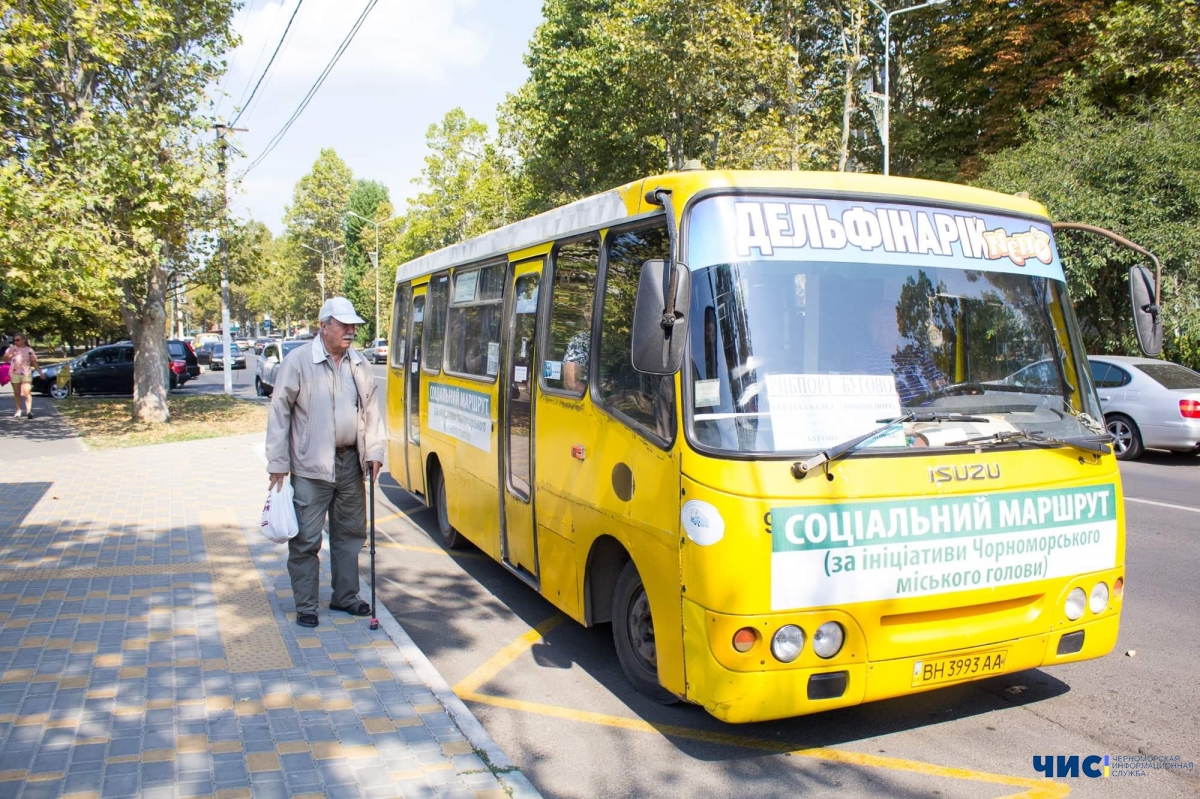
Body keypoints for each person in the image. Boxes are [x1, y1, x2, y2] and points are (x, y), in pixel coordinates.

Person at [266, 297, 385, 628]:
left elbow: (372, 412)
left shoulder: (358, 363)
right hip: (310, 465)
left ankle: (345, 597)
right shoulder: (299, 361)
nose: (350, 331)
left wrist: (375, 451)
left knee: (350, 533)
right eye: (344, 325)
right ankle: (306, 604)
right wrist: (277, 462)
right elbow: (279, 412)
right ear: (324, 326)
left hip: (350, 462)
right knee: (306, 538)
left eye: (353, 326)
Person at [850, 306, 947, 405]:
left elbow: (939, 384)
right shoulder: (864, 351)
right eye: (875, 322)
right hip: (893, 418)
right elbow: (858, 382)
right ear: (868, 325)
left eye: (889, 322)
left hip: (933, 416)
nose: (882, 329)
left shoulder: (917, 351)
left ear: (900, 325)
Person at [3, 333, 44, 419]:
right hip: (14, 373)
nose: (15, 342)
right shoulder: (11, 349)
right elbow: (5, 359)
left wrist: (40, 373)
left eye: (17, 340)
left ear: (23, 340)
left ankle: (29, 411)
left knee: (26, 392)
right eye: (14, 340)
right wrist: (11, 355)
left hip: (26, 373)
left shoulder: (29, 350)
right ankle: (18, 411)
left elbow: (34, 362)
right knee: (17, 393)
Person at [562, 297, 593, 392]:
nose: (588, 315)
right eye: (587, 310)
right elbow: (571, 382)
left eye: (591, 310)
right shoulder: (580, 341)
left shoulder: (621, 339)